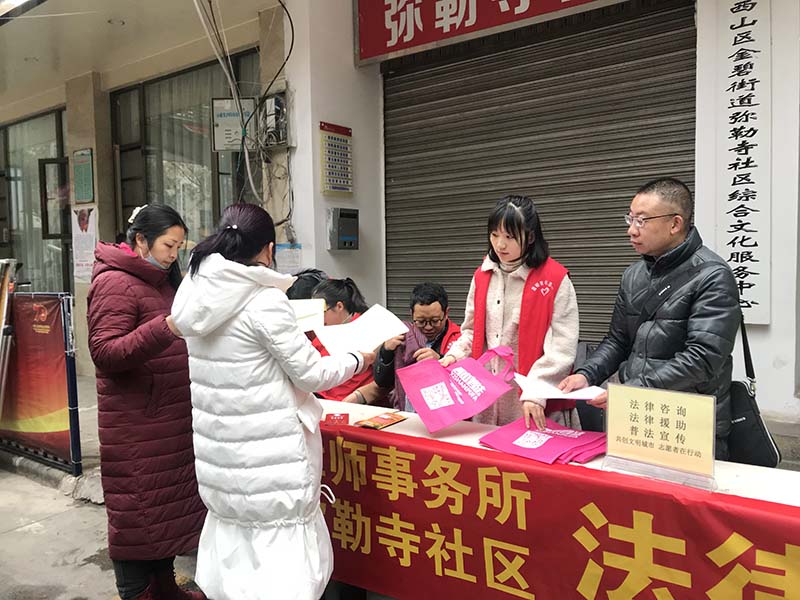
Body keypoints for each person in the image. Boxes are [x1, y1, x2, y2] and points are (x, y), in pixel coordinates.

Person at [170, 204, 374, 600]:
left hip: (222, 462)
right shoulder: (263, 301)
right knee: (282, 575)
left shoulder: (195, 299)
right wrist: (358, 358)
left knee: (238, 568)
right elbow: (311, 375)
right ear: (268, 249)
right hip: (271, 464)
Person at [560, 177, 740, 459]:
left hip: (685, 422)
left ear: (675, 224)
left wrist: (632, 391)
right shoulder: (633, 275)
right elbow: (618, 340)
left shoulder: (713, 276)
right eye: (630, 219)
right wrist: (587, 374)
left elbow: (703, 358)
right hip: (635, 416)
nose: (631, 230)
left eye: (641, 220)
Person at [86, 204, 206, 600]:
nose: (174, 254)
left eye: (179, 247)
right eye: (169, 245)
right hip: (137, 428)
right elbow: (105, 352)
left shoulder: (160, 281)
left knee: (163, 518)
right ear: (141, 239)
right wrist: (165, 327)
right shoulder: (115, 282)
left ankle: (167, 589)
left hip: (167, 423)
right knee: (137, 520)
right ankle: (137, 592)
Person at [441, 195, 580, 430]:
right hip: (486, 398)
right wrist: (454, 355)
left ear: (530, 237)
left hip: (531, 399)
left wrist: (535, 390)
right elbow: (472, 331)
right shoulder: (482, 275)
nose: (500, 245)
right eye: (494, 235)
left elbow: (561, 347)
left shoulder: (555, 279)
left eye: (509, 237)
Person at [374, 282, 461, 410]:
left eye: (435, 321)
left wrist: (441, 360)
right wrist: (386, 352)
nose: (428, 327)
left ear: (446, 313)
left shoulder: (460, 341)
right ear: (412, 314)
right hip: (407, 413)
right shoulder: (403, 336)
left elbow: (468, 386)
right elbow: (382, 382)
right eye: (421, 321)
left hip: (443, 414)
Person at [311, 278, 386, 406]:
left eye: (321, 312)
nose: (317, 318)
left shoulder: (372, 327)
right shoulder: (321, 334)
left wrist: (359, 397)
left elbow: (385, 377)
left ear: (339, 306)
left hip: (360, 405)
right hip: (322, 402)